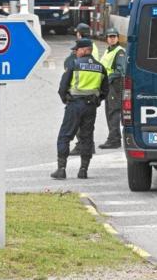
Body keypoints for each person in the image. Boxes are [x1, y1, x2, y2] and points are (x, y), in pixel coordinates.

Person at [51, 38, 108, 180]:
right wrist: (97, 101)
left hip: (75, 105)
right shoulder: (100, 67)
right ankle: (83, 170)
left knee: (65, 135)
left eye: (77, 50)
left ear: (85, 50)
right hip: (90, 107)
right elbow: (105, 91)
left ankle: (61, 169)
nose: (76, 52)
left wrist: (67, 100)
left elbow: (62, 88)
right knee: (87, 138)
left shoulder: (74, 64)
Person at [66, 22, 100, 156]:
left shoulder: (83, 49)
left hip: (82, 89)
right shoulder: (93, 47)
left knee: (81, 121)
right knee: (87, 122)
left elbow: (72, 66)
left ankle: (84, 145)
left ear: (79, 34)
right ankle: (87, 145)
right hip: (92, 89)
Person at [98, 28, 126, 149]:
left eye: (114, 36)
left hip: (115, 85)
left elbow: (120, 71)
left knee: (113, 112)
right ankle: (114, 137)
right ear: (107, 38)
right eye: (110, 36)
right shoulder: (108, 51)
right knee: (109, 111)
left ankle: (114, 140)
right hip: (108, 86)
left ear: (117, 38)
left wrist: (107, 79)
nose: (112, 38)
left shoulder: (119, 52)